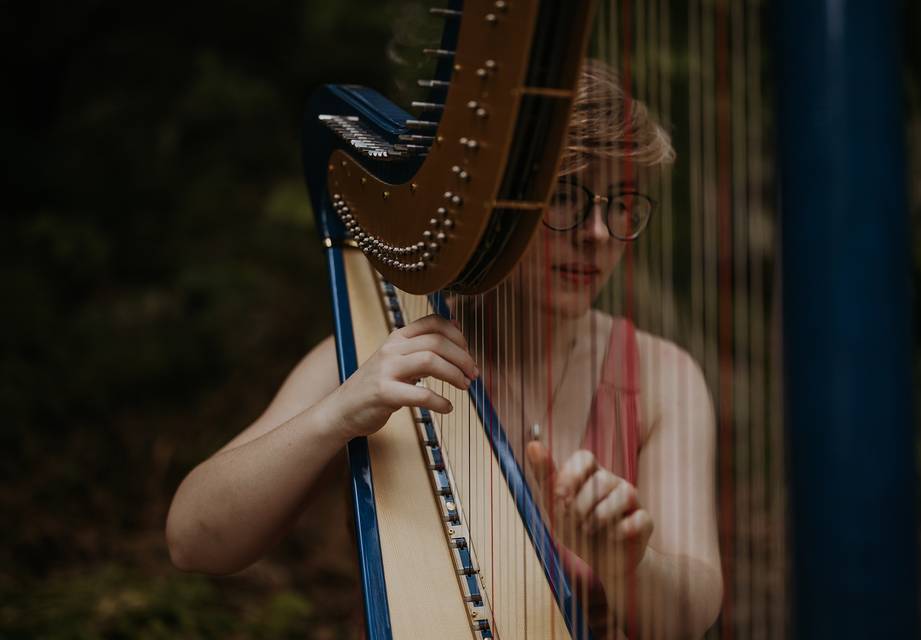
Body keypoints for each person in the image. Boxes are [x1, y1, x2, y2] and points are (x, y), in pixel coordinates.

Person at [166, 60, 722, 639]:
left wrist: (626, 561)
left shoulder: (662, 377)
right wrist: (333, 416)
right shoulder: (385, 354)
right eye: (564, 196)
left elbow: (690, 616)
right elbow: (193, 541)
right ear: (491, 208)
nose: (600, 233)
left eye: (623, 204)